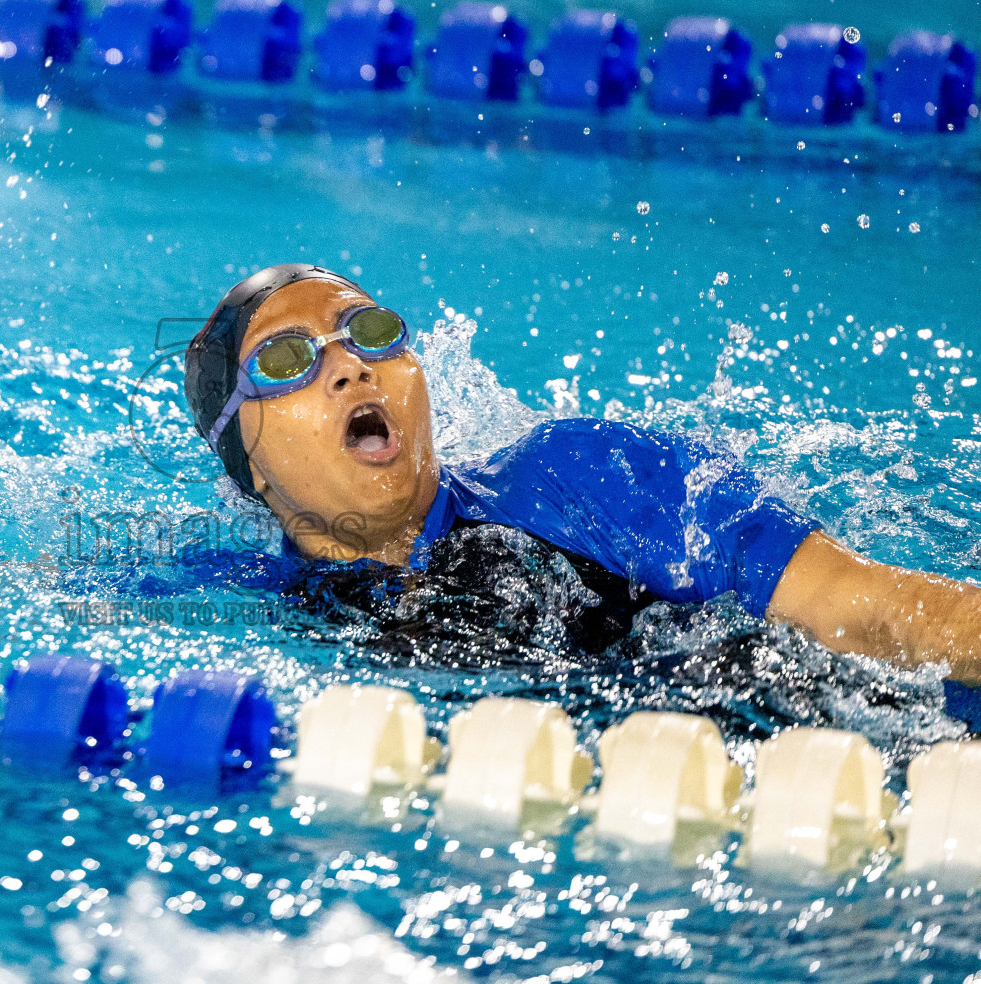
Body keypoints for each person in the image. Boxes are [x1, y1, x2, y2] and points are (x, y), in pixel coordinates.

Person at [182, 263, 981, 689]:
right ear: (246, 461)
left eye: (371, 329)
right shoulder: (245, 600)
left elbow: (865, 608)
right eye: (286, 359)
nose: (352, 365)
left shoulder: (577, 474)